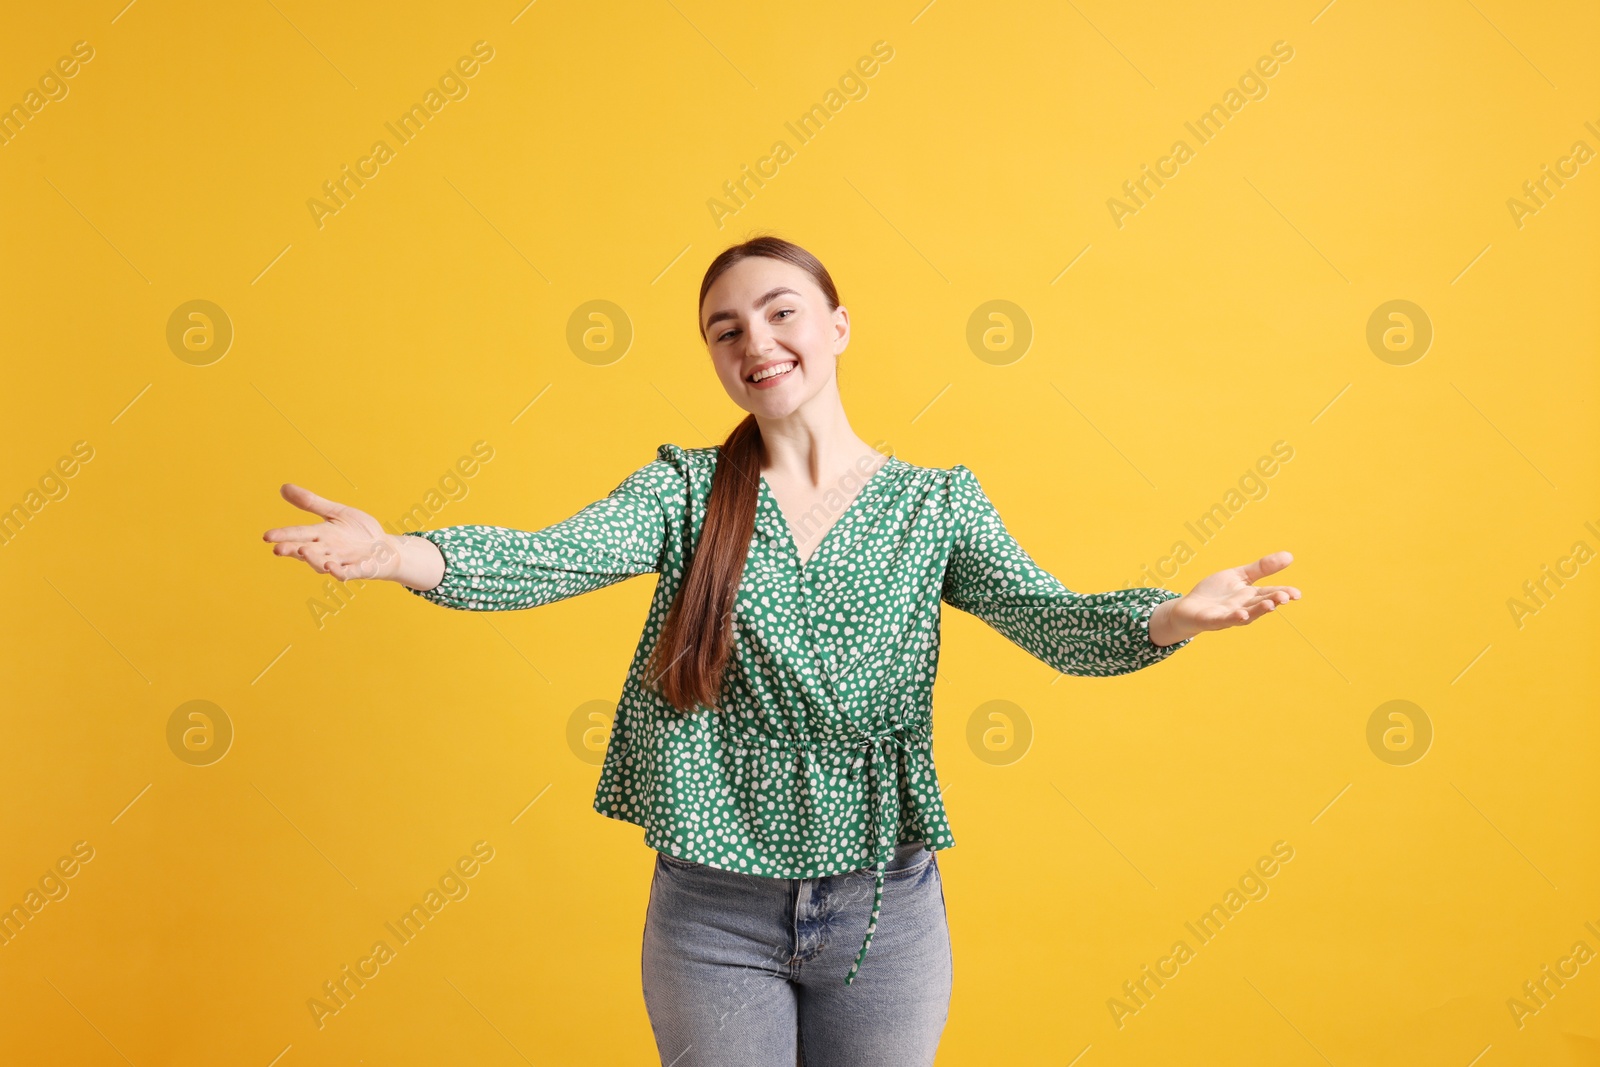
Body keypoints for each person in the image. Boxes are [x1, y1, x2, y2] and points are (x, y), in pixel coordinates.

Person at [262, 235, 1301, 1066]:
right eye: (724, 329)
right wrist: (400, 551)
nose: (753, 338)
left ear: (838, 326)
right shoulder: (680, 492)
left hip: (883, 909)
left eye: (779, 310)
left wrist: (1169, 616)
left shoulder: (934, 505)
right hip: (710, 908)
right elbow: (553, 557)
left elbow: (1050, 618)